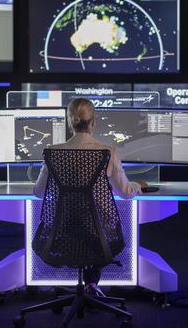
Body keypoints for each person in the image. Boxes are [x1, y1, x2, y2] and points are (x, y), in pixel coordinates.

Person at [34, 98, 143, 295]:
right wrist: (137, 185)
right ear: (93, 122)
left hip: (61, 231)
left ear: (70, 122)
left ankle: (83, 286)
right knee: (101, 224)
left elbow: (39, 193)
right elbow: (126, 194)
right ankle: (92, 285)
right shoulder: (108, 153)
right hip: (99, 235)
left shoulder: (52, 153)